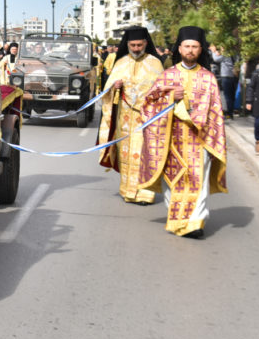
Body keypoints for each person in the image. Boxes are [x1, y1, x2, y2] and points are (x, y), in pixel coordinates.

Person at [138, 26, 227, 239]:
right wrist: (170, 96)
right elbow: (147, 105)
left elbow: (216, 112)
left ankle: (195, 222)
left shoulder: (208, 78)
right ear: (179, 48)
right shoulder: (167, 75)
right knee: (172, 180)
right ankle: (177, 218)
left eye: (194, 47)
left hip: (199, 139)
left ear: (200, 49)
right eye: (186, 46)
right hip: (171, 137)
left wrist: (214, 140)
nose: (190, 50)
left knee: (198, 181)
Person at [97, 26, 163, 203]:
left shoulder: (155, 63)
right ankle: (127, 190)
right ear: (127, 44)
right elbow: (107, 91)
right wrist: (114, 87)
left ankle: (145, 193)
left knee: (143, 153)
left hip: (146, 118)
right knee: (125, 154)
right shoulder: (121, 63)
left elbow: (163, 90)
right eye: (132, 45)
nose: (136, 48)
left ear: (145, 43)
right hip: (125, 118)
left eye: (139, 45)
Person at [211, 44, 237, 118]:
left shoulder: (226, 54)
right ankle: (231, 111)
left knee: (227, 95)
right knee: (231, 95)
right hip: (233, 76)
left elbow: (216, 59)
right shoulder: (233, 54)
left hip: (226, 76)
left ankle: (229, 113)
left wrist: (213, 51)